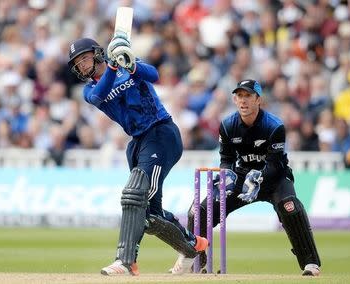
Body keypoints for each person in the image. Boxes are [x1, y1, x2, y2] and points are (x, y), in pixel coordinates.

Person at [67, 35, 208, 276]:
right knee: (150, 214)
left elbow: (153, 75)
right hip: (138, 142)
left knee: (136, 197)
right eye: (77, 63)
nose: (81, 65)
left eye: (84, 58)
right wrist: (114, 66)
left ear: (97, 52)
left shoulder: (124, 64)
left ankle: (125, 261)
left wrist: (130, 64)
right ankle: (194, 246)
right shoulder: (90, 89)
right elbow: (100, 95)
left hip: (161, 133)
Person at [182, 79, 321, 276]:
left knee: (290, 207)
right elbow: (227, 159)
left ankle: (310, 263)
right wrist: (226, 177)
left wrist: (259, 178)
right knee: (198, 211)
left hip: (274, 178)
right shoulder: (228, 125)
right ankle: (197, 259)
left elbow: (274, 164)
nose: (243, 100)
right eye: (239, 96)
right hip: (242, 176)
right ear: (234, 99)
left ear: (258, 100)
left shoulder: (274, 126)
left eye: (248, 96)